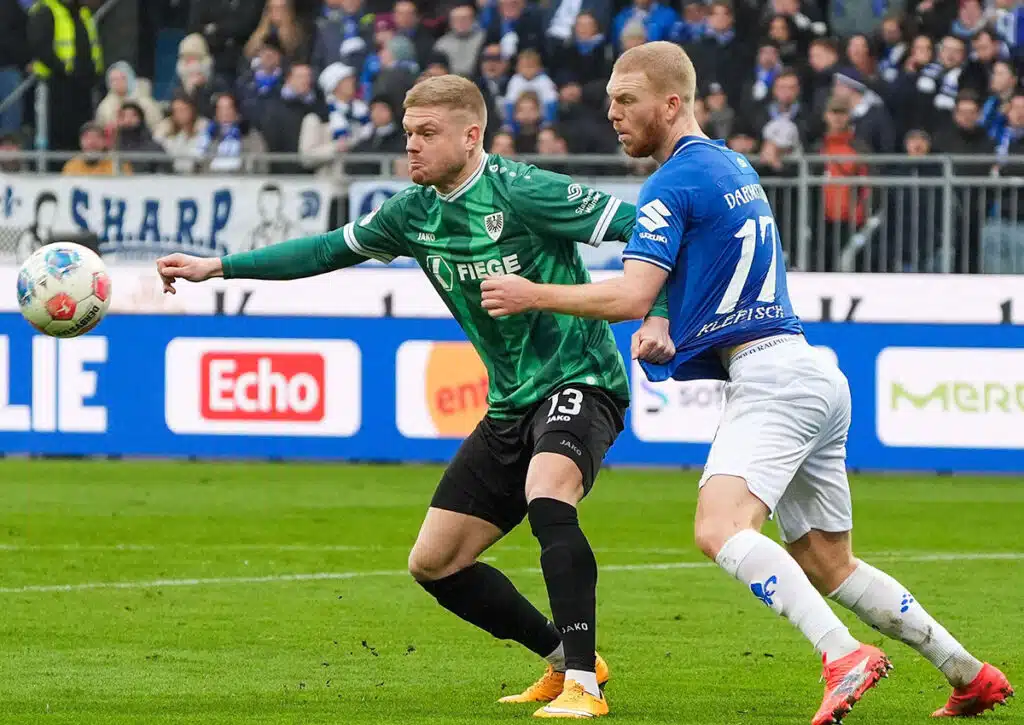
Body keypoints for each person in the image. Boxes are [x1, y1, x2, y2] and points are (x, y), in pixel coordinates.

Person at [479, 41, 1015, 724]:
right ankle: (968, 672)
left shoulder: (670, 182)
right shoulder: (728, 164)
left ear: (671, 102)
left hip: (772, 378)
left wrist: (533, 293)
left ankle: (842, 653)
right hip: (808, 367)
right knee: (829, 561)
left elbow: (629, 294)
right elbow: (695, 275)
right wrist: (670, 324)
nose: (611, 113)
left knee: (719, 527)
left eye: (625, 99)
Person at [155, 74, 650, 721]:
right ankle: (564, 661)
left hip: (582, 379)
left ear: (472, 136)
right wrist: (215, 267)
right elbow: (326, 250)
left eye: (426, 134)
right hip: (509, 403)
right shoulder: (412, 212)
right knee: (435, 562)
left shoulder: (525, 192)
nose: (411, 147)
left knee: (548, 490)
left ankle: (586, 684)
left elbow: (647, 228)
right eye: (408, 133)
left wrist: (659, 315)